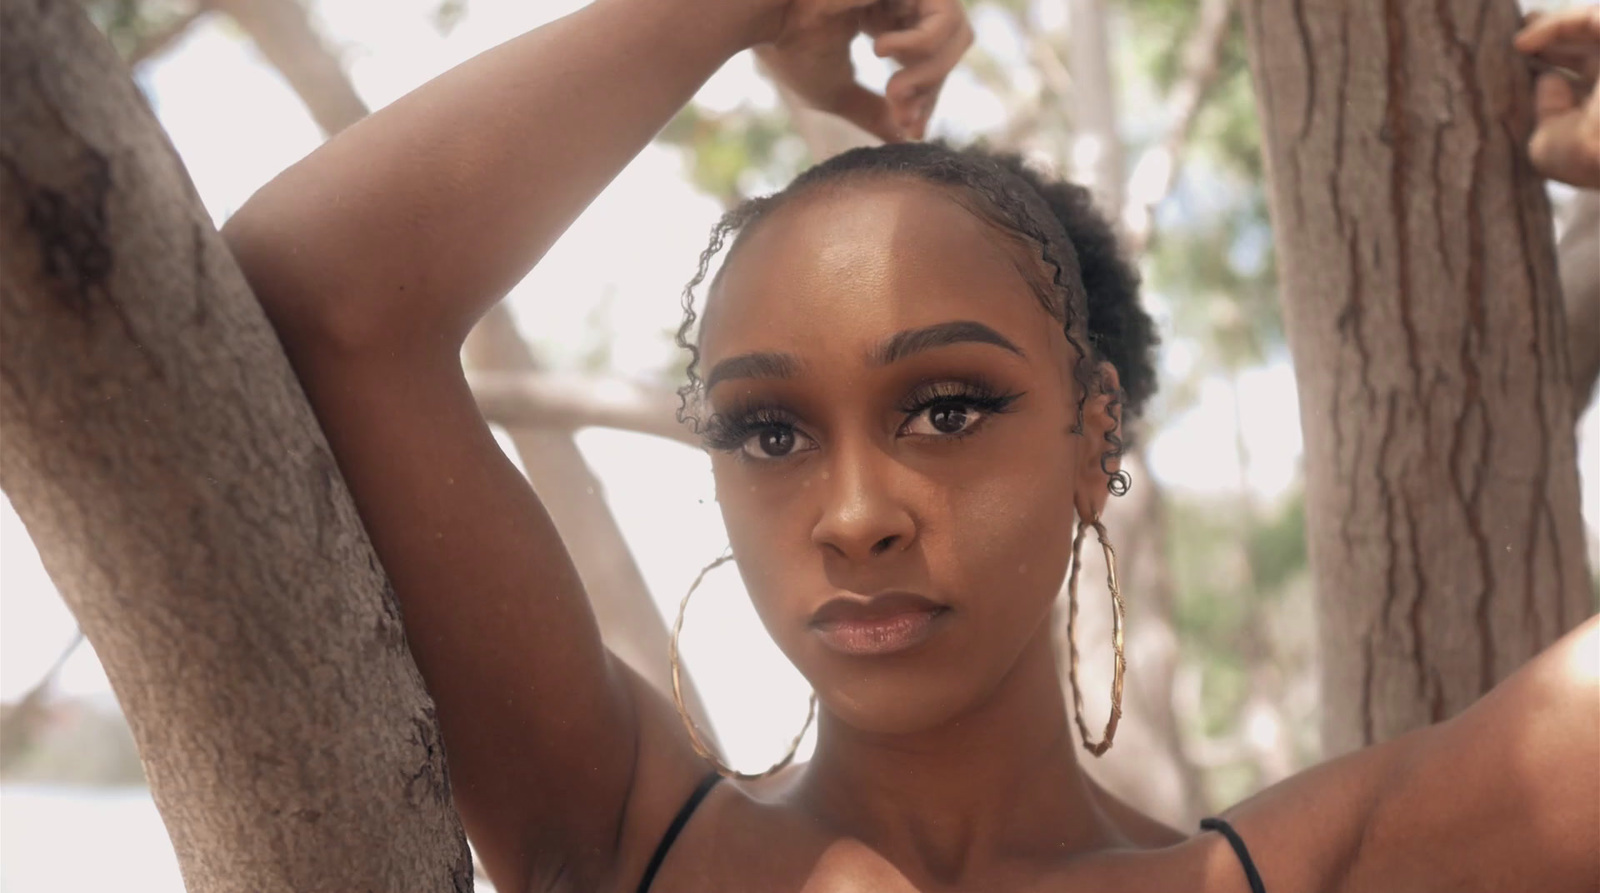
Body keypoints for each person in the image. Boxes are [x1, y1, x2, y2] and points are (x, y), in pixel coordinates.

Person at [221, 0, 1600, 890]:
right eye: (768, 430)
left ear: (1092, 434)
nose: (856, 512)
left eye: (947, 408)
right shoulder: (620, 836)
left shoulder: (1312, 873)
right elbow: (318, 290)